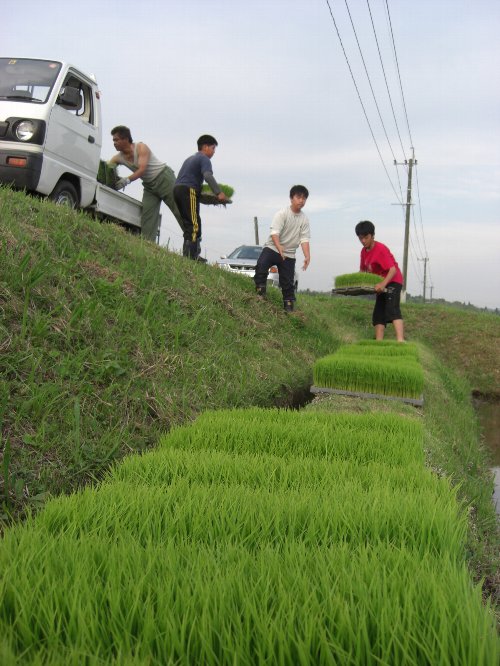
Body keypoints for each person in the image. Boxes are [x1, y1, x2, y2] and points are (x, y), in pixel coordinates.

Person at [109, 125, 184, 242]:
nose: (114, 143)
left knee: (180, 210)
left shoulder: (141, 148)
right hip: (149, 186)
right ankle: (148, 246)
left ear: (126, 139)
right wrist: (112, 180)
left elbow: (142, 169)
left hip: (164, 178)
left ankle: (193, 245)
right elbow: (108, 168)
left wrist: (125, 181)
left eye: (116, 140)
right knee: (147, 216)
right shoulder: (117, 158)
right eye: (113, 140)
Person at [253, 185, 311, 312]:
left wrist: (307, 256)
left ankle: (289, 307)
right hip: (273, 248)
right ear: (291, 198)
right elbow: (275, 233)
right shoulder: (282, 214)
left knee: (287, 282)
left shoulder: (304, 219)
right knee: (261, 266)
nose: (301, 200)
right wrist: (279, 247)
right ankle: (260, 293)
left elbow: (304, 239)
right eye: (298, 197)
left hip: (289, 254)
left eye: (304, 198)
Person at [174, 135, 228, 261]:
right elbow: (208, 176)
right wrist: (218, 192)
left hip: (177, 190)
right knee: (194, 225)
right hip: (189, 190)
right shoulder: (204, 159)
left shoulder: (190, 159)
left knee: (190, 223)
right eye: (213, 148)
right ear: (205, 147)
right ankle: (190, 256)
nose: (214, 152)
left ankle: (191, 253)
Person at [355, 220, 405, 341]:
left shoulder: (380, 249)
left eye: (366, 237)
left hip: (393, 280)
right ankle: (378, 342)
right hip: (380, 283)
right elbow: (362, 271)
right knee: (378, 313)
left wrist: (383, 284)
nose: (363, 241)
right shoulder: (363, 252)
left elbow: (392, 270)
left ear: (372, 235)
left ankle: (400, 340)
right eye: (360, 238)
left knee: (392, 308)